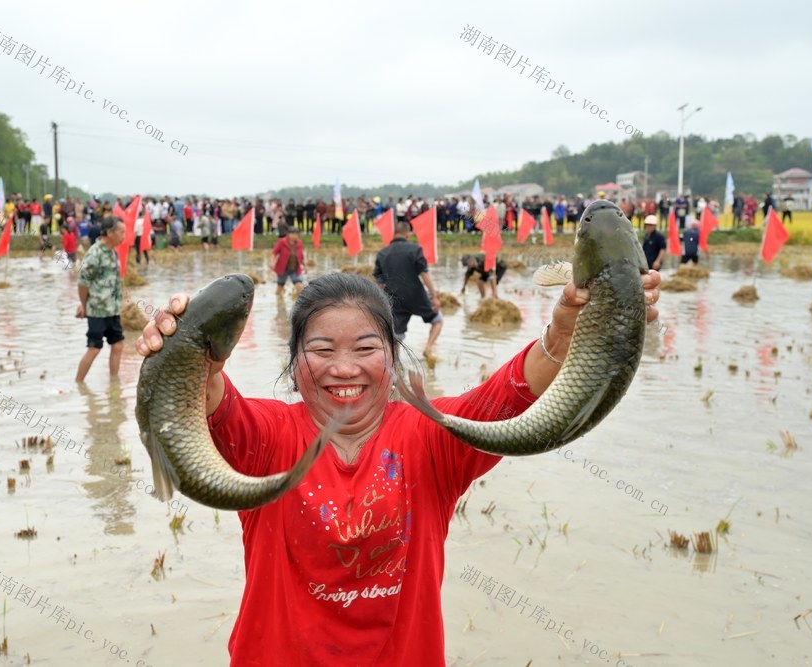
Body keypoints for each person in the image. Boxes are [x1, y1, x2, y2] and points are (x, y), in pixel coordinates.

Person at [133, 265, 662, 666]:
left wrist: (570, 331)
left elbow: (512, 394)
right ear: (294, 363)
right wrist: (183, 353)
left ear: (392, 354)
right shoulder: (267, 437)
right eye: (321, 349)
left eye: (366, 347)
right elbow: (207, 404)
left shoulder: (432, 438)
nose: (344, 368)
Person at [374, 221, 442, 357]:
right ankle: (428, 348)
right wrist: (434, 296)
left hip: (393, 298)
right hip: (416, 296)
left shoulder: (382, 253)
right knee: (437, 320)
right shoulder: (415, 249)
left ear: (394, 235)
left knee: (396, 336)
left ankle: (395, 364)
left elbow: (380, 281)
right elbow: (424, 274)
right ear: (407, 234)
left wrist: (379, 301)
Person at [75, 217, 125, 383]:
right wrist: (84, 306)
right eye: (121, 232)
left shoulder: (113, 252)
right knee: (94, 348)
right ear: (109, 233)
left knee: (118, 345)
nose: (124, 236)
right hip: (97, 310)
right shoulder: (94, 253)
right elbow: (83, 282)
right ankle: (79, 383)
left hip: (113, 309)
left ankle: (114, 384)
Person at [270, 226, 306, 297]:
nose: (296, 236)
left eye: (297, 234)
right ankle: (278, 301)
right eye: (294, 234)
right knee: (280, 287)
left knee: (300, 287)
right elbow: (274, 253)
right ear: (289, 234)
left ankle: (297, 303)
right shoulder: (282, 242)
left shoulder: (299, 243)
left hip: (295, 269)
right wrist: (272, 262)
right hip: (283, 269)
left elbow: (301, 256)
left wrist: (305, 266)